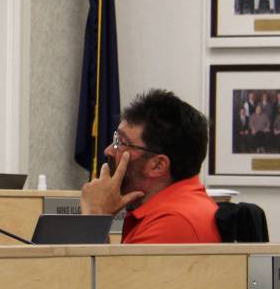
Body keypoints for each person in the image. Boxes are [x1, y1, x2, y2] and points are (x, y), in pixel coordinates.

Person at [80, 89, 220, 244]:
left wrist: (96, 215)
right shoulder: (177, 208)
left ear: (158, 165)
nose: (108, 150)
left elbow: (100, 269)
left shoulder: (173, 223)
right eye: (115, 139)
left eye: (121, 142)